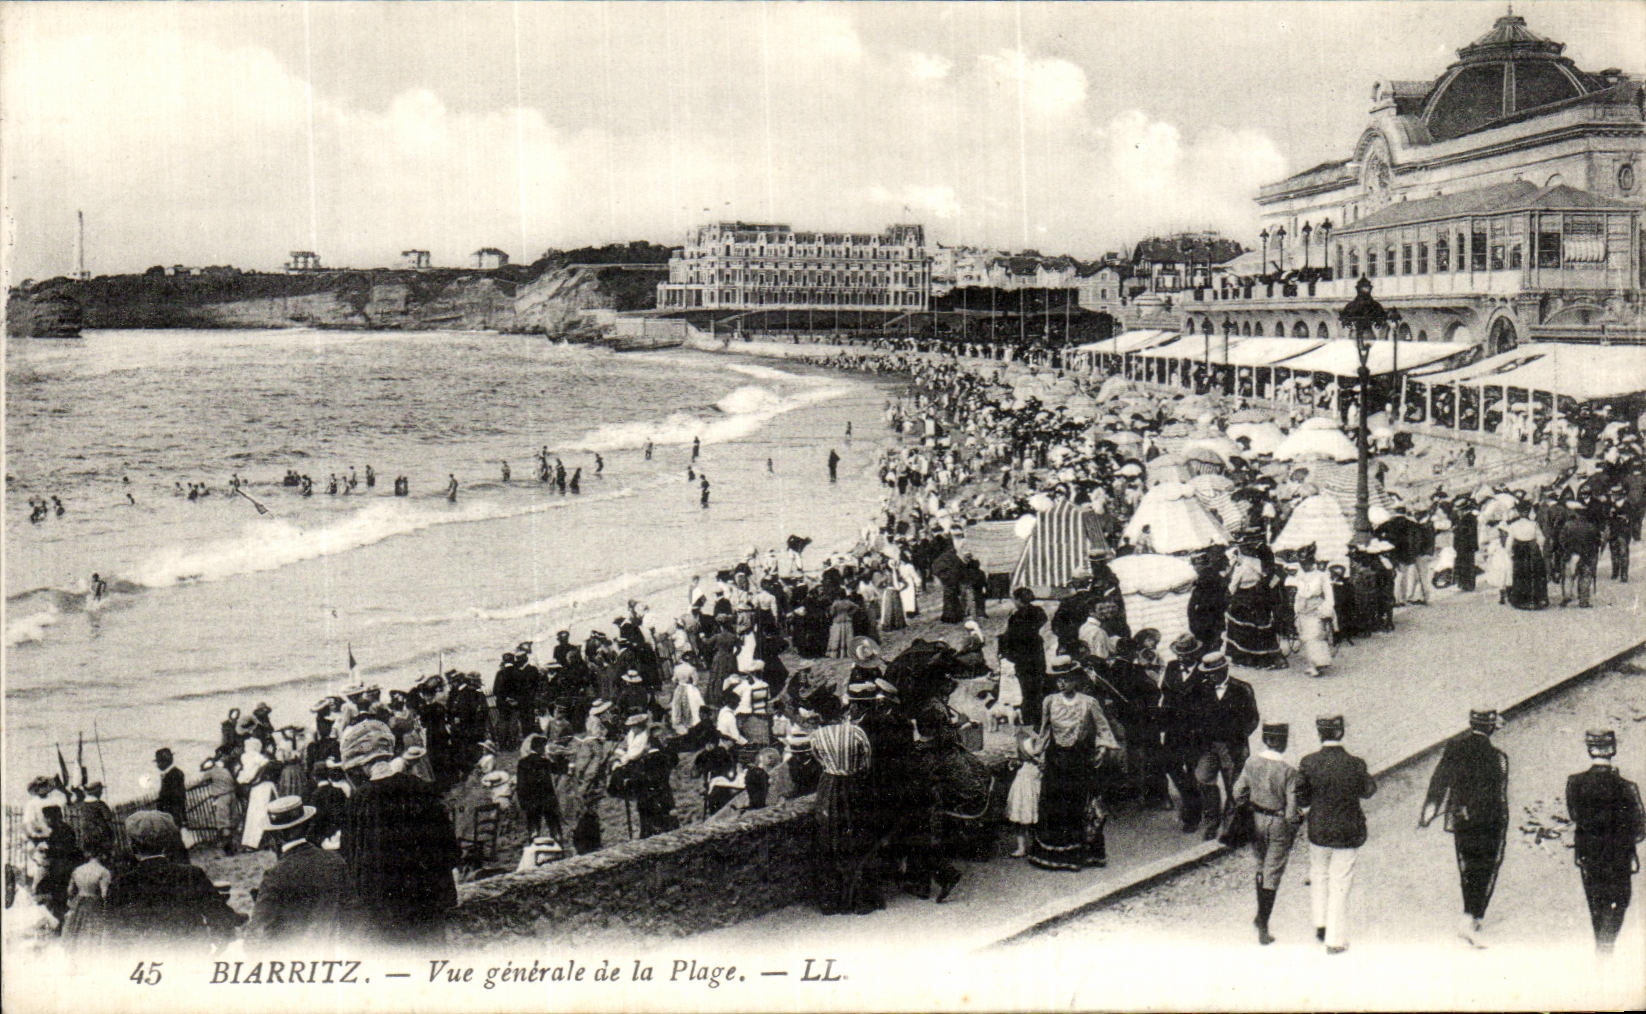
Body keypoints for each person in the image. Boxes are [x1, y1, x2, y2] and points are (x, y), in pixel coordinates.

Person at [339, 719, 461, 944]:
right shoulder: (421, 787)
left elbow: (350, 861)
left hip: (388, 915)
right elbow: (451, 851)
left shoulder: (358, 802)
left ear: (361, 766)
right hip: (430, 906)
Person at [1419, 707, 1510, 948]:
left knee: (1467, 865)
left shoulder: (1455, 747)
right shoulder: (1498, 757)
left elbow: (1439, 780)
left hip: (1460, 818)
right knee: (1486, 868)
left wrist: (1428, 813)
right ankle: (1471, 919)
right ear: (1491, 727)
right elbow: (1499, 796)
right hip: (1489, 820)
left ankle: (1470, 917)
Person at [1028, 660, 1119, 871]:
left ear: (1076, 680)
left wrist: (1102, 748)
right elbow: (1045, 731)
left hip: (1080, 761)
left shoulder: (1088, 702)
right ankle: (1053, 855)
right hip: (1056, 761)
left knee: (1077, 806)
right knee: (1054, 806)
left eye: (1066, 679)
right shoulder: (1049, 701)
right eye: (1058, 679)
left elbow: (1103, 729)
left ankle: (1079, 856)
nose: (1061, 683)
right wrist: (1039, 753)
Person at [1298, 715, 1377, 955]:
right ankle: (1335, 939)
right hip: (1347, 830)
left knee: (1319, 874)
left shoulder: (1308, 762)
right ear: (1341, 732)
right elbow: (1368, 791)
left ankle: (1320, 925)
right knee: (1340, 882)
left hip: (1318, 829)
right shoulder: (1355, 763)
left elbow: (1302, 798)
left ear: (1319, 733)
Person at [103, 811, 240, 948]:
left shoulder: (121, 885)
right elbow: (221, 917)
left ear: (133, 846)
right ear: (167, 844)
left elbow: (114, 937)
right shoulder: (192, 875)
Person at [1565, 729, 1645, 954]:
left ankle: (1602, 945)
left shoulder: (1574, 782)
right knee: (1620, 900)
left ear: (1590, 750)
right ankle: (1606, 944)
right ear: (1613, 750)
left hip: (1587, 853)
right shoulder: (1628, 787)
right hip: (1619, 854)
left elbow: (1574, 815)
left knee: (1595, 901)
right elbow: (1640, 830)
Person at [245, 796, 354, 947]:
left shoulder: (275, 874)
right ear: (308, 826)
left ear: (276, 835)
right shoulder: (335, 861)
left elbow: (257, 931)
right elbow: (352, 913)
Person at [1232, 722, 1303, 945]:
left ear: (1265, 739)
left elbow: (1237, 792)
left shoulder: (1251, 762)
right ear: (1283, 741)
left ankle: (1258, 916)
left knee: (1261, 866)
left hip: (1256, 819)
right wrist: (1295, 822)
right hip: (1278, 822)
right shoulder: (1289, 771)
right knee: (1273, 872)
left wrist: (1249, 807)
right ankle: (1264, 924)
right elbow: (1292, 811)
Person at [810, 693, 877, 915]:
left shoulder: (817, 736)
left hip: (829, 788)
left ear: (821, 714)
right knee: (858, 839)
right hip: (854, 785)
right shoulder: (856, 732)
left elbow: (819, 761)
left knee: (829, 842)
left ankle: (832, 901)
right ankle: (860, 900)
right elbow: (867, 762)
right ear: (842, 711)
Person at [1185, 651, 1261, 841]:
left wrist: (1239, 736)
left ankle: (1231, 826)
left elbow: (1253, 718)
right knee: (1203, 778)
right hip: (1209, 746)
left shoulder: (1242, 688)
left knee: (1233, 786)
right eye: (1207, 673)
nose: (1210, 676)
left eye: (1214, 672)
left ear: (1225, 669)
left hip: (1233, 747)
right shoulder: (1201, 689)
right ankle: (1212, 820)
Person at [999, 588, 1048, 728]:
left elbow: (1012, 636)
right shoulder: (1038, 611)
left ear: (1019, 600)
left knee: (1025, 687)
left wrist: (1005, 651)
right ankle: (1039, 715)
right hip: (1037, 652)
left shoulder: (1017, 616)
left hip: (1022, 654)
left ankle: (1029, 717)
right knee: (1038, 685)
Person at [1288, 551, 1336, 677]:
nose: (1305, 566)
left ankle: (1318, 663)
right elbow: (1299, 593)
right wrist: (1296, 608)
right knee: (1306, 637)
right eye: (1302, 563)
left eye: (1307, 563)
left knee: (1315, 635)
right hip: (1303, 609)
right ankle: (1312, 664)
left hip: (1316, 608)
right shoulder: (1299, 576)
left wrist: (1327, 608)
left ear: (1312, 562)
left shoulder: (1322, 576)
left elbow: (1329, 594)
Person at [516, 735, 563, 844]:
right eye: (543, 747)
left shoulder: (522, 763)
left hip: (531, 800)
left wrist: (522, 801)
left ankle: (534, 849)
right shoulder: (545, 762)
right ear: (539, 747)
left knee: (533, 828)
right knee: (554, 826)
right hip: (547, 799)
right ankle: (558, 847)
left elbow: (521, 784)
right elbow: (558, 769)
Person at [1006, 729, 1044, 858]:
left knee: (1031, 812)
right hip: (1026, 779)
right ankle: (1023, 846)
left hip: (1033, 778)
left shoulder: (1036, 739)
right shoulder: (1025, 738)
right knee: (1024, 811)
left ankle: (1032, 845)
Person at [154, 747, 188, 834]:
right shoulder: (171, 773)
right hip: (171, 810)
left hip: (172, 810)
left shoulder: (174, 774)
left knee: (174, 832)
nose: (157, 765)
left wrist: (161, 800)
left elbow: (176, 795)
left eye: (158, 762)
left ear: (165, 762)